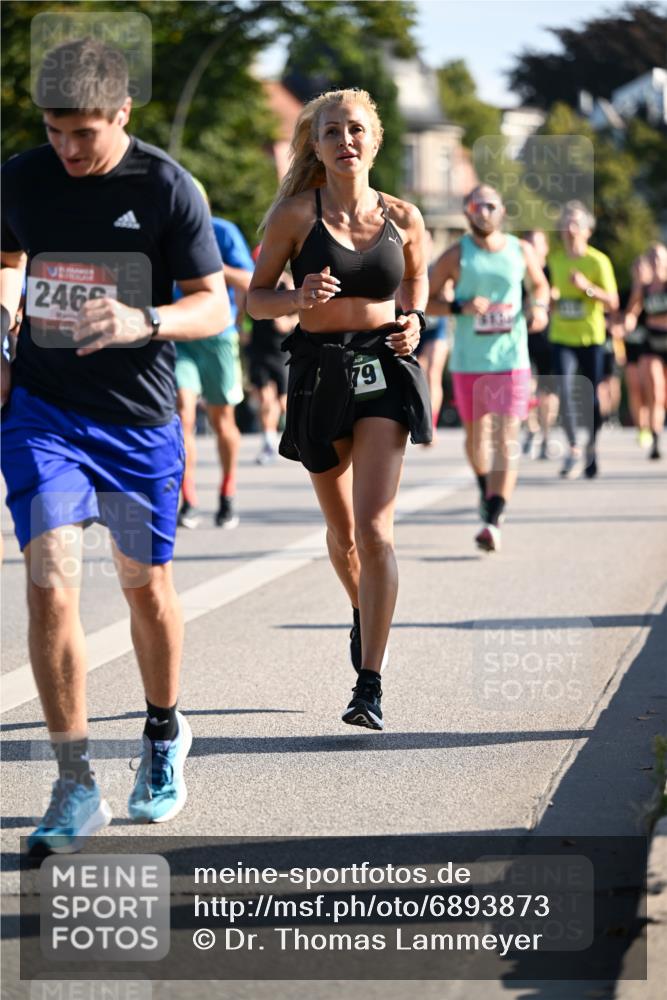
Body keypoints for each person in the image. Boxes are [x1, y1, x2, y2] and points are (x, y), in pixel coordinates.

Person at [0, 38, 229, 853]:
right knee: (49, 580)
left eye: (84, 134)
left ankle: (163, 733)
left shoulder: (166, 188)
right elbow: (7, 254)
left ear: (122, 115)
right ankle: (74, 783)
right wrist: (3, 331)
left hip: (136, 422)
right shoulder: (23, 177)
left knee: (143, 585)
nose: (67, 150)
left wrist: (147, 320)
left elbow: (215, 306)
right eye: (55, 131)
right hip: (43, 411)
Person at [247, 88, 431, 731]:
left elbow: (415, 279)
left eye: (355, 130)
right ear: (316, 147)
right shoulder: (297, 215)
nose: (345, 141)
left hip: (383, 367)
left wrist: (415, 321)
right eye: (331, 133)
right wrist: (296, 297)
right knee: (346, 536)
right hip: (318, 372)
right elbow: (254, 300)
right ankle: (364, 609)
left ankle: (369, 682)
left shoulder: (405, 216)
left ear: (374, 141)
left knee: (376, 529)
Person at [427, 185, 550, 553]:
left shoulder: (520, 250)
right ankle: (486, 487)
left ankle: (493, 518)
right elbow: (425, 301)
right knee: (477, 439)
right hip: (469, 362)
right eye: (476, 205)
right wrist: (458, 307)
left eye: (490, 205)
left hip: (511, 358)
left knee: (505, 438)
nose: (483, 211)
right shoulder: (455, 255)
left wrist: (540, 308)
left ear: (502, 210)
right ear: (467, 212)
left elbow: (540, 286)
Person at [176, 181, 254, 529]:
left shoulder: (222, 232)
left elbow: (250, 282)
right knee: (183, 416)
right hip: (179, 336)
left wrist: (209, 267)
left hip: (219, 336)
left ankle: (227, 492)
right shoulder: (165, 232)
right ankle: (187, 498)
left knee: (223, 421)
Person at [548, 201, 619, 479]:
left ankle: (591, 446)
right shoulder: (554, 260)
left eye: (576, 222)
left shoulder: (597, 261)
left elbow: (613, 301)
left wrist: (587, 288)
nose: (570, 227)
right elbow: (543, 294)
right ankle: (574, 447)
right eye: (566, 221)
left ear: (588, 230)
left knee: (592, 400)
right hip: (561, 336)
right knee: (565, 392)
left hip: (591, 336)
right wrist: (550, 300)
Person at [246, 265, 297, 465]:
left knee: (283, 402)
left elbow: (305, 309)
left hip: (281, 350)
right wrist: (244, 329)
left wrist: (290, 322)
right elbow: (245, 309)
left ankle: (294, 435)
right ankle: (268, 442)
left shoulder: (288, 284)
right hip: (259, 351)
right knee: (266, 399)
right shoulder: (256, 285)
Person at [623, 243, 667, 460]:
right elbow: (633, 311)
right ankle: (656, 437)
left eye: (660, 258)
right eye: (653, 258)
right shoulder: (645, 287)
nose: (656, 262)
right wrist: (628, 322)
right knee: (655, 390)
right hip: (652, 344)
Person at [521, 229, 559, 460]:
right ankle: (532, 428)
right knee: (525, 386)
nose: (532, 249)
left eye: (536, 244)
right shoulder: (518, 272)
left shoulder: (553, 271)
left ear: (545, 248)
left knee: (548, 391)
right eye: (528, 244)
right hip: (522, 336)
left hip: (551, 337)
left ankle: (545, 435)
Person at [415, 230, 450, 443]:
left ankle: (432, 425)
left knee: (433, 372)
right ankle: (420, 419)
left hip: (437, 327)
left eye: (426, 242)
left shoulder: (438, 269)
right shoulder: (406, 268)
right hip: (416, 328)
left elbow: (449, 296)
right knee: (419, 369)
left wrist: (447, 295)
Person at [615, 253, 652, 450]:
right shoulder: (624, 294)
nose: (639, 274)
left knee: (652, 390)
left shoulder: (655, 294)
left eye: (642, 270)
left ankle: (653, 423)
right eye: (635, 270)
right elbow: (617, 320)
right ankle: (642, 429)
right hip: (631, 350)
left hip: (653, 349)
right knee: (636, 389)